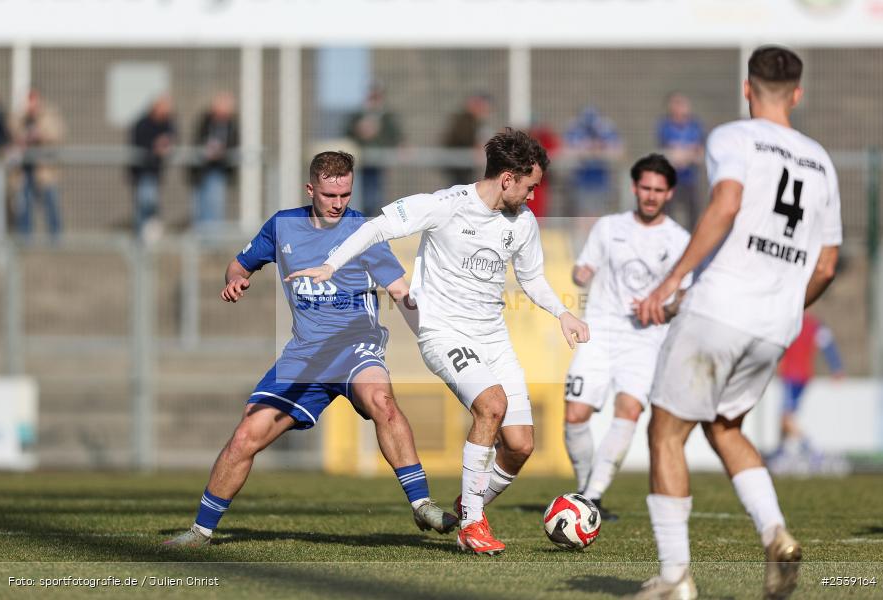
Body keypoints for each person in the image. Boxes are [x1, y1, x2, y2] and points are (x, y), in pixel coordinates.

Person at [291, 129, 590, 555]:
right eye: (529, 186)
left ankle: (470, 503)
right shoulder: (446, 205)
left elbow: (532, 278)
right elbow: (377, 228)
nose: (532, 195)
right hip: (444, 333)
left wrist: (563, 313)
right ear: (507, 179)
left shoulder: (522, 223)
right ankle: (471, 525)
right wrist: (329, 264)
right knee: (492, 405)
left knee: (521, 445)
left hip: (494, 340)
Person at [164, 151, 457, 547]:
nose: (339, 204)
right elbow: (240, 264)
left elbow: (400, 291)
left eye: (345, 195)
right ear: (310, 190)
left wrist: (429, 335)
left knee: (381, 401)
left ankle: (421, 503)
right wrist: (235, 280)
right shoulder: (283, 226)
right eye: (329, 195)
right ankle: (200, 531)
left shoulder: (364, 230)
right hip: (304, 355)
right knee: (246, 435)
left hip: (356, 346)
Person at [633, 46, 841, 599]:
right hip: (775, 323)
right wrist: (788, 305)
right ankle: (776, 535)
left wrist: (671, 280)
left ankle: (675, 578)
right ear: (797, 94)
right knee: (726, 427)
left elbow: (726, 203)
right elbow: (826, 264)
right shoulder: (822, 161)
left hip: (719, 307)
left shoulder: (733, 136)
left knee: (666, 432)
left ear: (747, 90)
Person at [564, 154, 690, 521]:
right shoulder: (608, 227)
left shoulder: (680, 239)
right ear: (634, 188)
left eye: (658, 190)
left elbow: (685, 294)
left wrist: (663, 310)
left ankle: (592, 497)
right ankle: (585, 488)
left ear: (669, 193)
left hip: (645, 338)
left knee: (630, 409)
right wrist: (581, 273)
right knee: (575, 414)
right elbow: (581, 269)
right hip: (599, 329)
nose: (650, 195)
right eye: (645, 188)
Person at [768, 311, 844, 474]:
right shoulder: (813, 324)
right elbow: (828, 345)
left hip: (792, 375)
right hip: (803, 375)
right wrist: (836, 367)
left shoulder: (788, 322)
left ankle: (814, 451)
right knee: (786, 417)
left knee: (786, 418)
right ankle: (781, 453)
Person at [10, 89, 65, 240]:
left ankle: (56, 238)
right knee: (25, 206)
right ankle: (25, 239)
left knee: (50, 203)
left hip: (45, 170)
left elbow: (58, 134)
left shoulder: (49, 115)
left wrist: (41, 134)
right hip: (25, 170)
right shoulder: (21, 118)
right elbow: (13, 134)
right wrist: (23, 137)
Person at [344, 83, 403, 217]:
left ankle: (375, 216)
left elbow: (395, 136)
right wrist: (359, 130)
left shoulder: (387, 117)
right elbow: (347, 133)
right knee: (365, 191)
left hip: (380, 160)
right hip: (363, 159)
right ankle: (366, 216)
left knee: (377, 191)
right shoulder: (358, 115)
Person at [189, 91, 239, 232]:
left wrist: (221, 152)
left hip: (218, 170)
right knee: (199, 207)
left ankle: (213, 242)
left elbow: (233, 144)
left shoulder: (231, 125)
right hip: (201, 171)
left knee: (215, 205)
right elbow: (197, 141)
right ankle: (201, 239)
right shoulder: (204, 121)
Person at [563, 105, 624, 218]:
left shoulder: (605, 128)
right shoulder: (575, 128)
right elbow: (566, 151)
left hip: (601, 180)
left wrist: (599, 151)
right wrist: (584, 151)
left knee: (599, 214)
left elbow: (619, 152)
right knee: (581, 214)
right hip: (581, 180)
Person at [129, 95, 176, 240]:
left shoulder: (167, 123)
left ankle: (148, 237)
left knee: (151, 203)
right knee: (145, 203)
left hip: (155, 172)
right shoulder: (142, 123)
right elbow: (139, 143)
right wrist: (154, 146)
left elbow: (173, 136)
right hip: (143, 171)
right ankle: (141, 238)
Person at [657, 92, 705, 230]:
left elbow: (699, 152)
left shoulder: (695, 126)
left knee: (693, 215)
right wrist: (686, 153)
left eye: (682, 103)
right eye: (676, 104)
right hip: (671, 180)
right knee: (668, 215)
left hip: (689, 180)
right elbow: (669, 153)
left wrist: (685, 155)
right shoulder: (665, 126)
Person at [441, 92, 493, 187]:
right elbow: (461, 138)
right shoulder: (463, 121)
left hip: (466, 166)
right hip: (458, 164)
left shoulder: (478, 123)